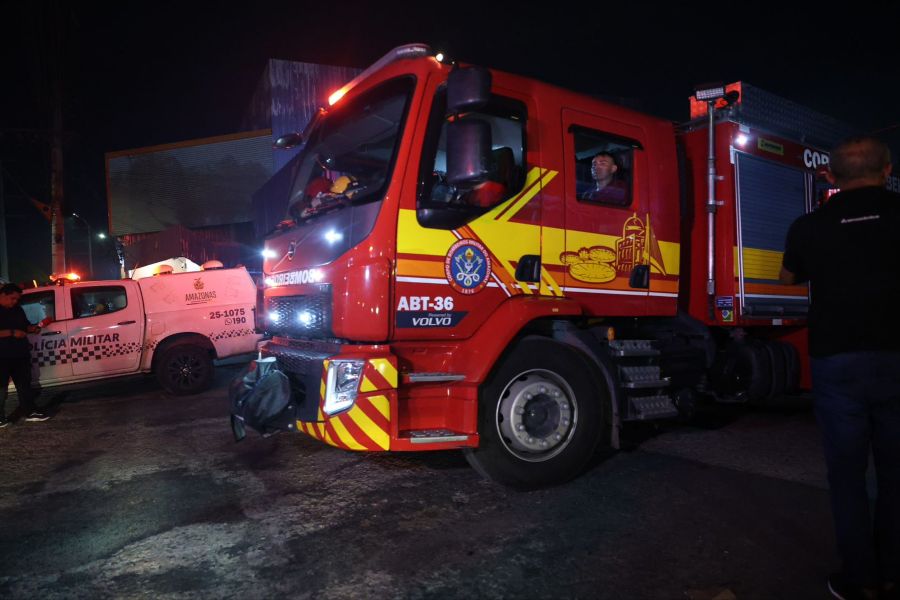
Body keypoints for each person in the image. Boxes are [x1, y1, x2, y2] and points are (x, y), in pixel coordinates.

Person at [780, 136, 900, 600]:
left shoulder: (810, 225)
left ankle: (859, 580)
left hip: (838, 361)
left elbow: (788, 277)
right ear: (887, 169)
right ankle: (892, 572)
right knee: (895, 472)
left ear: (828, 176)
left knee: (847, 474)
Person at [0, 283, 50, 427]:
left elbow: (24, 326)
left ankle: (30, 411)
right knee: (1, 387)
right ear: (3, 294)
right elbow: (13, 331)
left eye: (17, 299)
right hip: (2, 356)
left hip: (20, 354)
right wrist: (11, 333)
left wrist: (32, 328)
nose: (15, 302)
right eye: (12, 298)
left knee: (24, 385)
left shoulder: (17, 309)